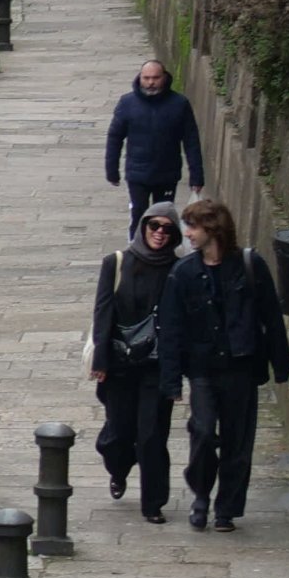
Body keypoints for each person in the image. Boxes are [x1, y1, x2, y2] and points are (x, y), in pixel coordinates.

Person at [157, 200, 289, 533]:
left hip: (241, 367)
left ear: (212, 228)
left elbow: (271, 316)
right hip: (202, 368)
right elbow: (171, 330)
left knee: (238, 443)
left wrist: (281, 364)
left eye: (193, 227)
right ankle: (201, 494)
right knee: (203, 432)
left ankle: (226, 510)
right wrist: (171, 381)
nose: (187, 233)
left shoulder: (249, 265)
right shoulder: (183, 273)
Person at [95, 204, 183, 526]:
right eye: (154, 226)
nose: (160, 233)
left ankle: (153, 503)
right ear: (143, 226)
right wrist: (100, 360)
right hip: (120, 364)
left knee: (152, 435)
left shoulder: (179, 269)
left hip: (157, 366)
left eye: (167, 229)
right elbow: (103, 312)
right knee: (118, 435)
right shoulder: (116, 263)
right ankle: (118, 469)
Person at [108, 61, 206, 229]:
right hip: (137, 173)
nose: (151, 82)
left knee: (163, 217)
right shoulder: (127, 103)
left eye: (155, 78)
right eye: (146, 78)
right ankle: (136, 243)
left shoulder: (179, 104)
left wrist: (196, 176)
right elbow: (115, 137)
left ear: (164, 77)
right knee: (139, 214)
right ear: (140, 77)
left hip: (167, 174)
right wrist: (112, 170)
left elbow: (191, 141)